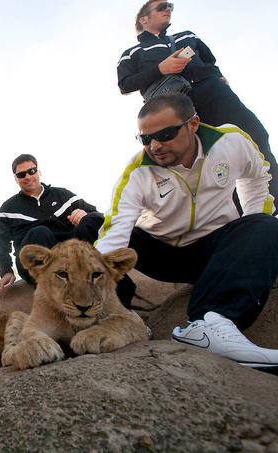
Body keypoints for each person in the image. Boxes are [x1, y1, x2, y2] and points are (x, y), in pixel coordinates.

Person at [95, 93, 278, 369]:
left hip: (214, 251)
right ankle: (116, 315)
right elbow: (115, 233)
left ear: (193, 124)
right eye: (146, 139)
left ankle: (209, 323)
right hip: (161, 254)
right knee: (90, 226)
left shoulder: (231, 141)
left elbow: (258, 176)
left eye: (166, 134)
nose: (155, 146)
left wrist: (252, 247)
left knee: (265, 225)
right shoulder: (136, 172)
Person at [117, 0, 277, 201]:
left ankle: (271, 205)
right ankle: (230, 217)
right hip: (175, 106)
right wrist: (161, 68)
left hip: (212, 91)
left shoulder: (187, 35)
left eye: (170, 6)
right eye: (161, 7)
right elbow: (124, 84)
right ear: (144, 19)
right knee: (200, 161)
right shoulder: (131, 53)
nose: (168, 9)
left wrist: (218, 78)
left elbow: (209, 59)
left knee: (253, 136)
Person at [0, 154, 104, 295]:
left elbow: (98, 216)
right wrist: (6, 271)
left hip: (70, 250)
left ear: (39, 172)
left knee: (92, 219)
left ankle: (90, 273)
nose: (27, 176)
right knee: (40, 232)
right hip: (36, 258)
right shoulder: (6, 209)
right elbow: (1, 244)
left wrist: (83, 214)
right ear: (16, 179)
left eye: (32, 171)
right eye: (21, 174)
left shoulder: (63, 195)